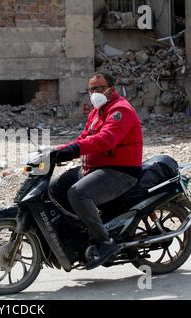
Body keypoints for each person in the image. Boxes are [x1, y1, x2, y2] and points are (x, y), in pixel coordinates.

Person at [49, 73, 143, 269]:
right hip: (94, 168)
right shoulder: (96, 112)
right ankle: (79, 233)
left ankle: (104, 242)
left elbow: (106, 140)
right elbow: (83, 139)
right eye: (92, 89)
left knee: (78, 193)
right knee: (55, 187)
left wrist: (73, 150)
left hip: (120, 172)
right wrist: (57, 151)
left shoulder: (120, 110)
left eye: (100, 88)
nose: (95, 93)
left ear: (111, 88)